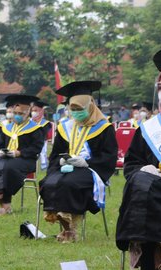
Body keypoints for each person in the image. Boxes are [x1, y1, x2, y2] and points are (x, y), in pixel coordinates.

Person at [40, 81, 117, 243]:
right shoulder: (65, 127)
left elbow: (109, 156)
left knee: (70, 184)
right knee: (48, 182)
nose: (76, 113)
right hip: (66, 167)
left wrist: (87, 162)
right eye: (73, 110)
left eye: (80, 109)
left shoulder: (104, 127)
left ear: (90, 106)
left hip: (91, 170)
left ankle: (70, 230)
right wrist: (60, 160)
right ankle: (64, 226)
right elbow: (54, 154)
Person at [116, 47, 161, 269]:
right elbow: (131, 165)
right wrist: (144, 170)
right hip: (156, 189)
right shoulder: (149, 129)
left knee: (147, 191)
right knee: (142, 182)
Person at [0, 94, 44, 215]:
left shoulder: (35, 128)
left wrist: (19, 153)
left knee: (8, 168)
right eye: (16, 113)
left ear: (27, 113)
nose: (17, 116)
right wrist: (1, 151)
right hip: (7, 158)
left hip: (26, 160)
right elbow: (1, 143)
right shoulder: (7, 127)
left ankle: (5, 202)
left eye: (21, 114)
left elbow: (37, 148)